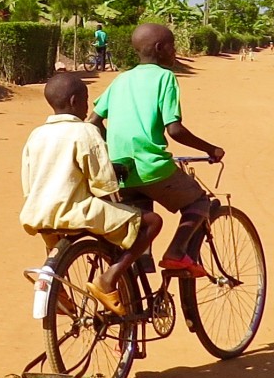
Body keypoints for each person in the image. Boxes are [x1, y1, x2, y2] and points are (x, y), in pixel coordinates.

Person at [19, 72, 162, 316]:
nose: (88, 106)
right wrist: (117, 186)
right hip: (75, 213)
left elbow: (29, 182)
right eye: (86, 99)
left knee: (56, 238)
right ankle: (109, 279)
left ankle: (57, 284)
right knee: (151, 222)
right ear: (75, 101)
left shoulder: (36, 135)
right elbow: (103, 183)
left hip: (38, 214)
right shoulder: (85, 132)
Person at [89, 23, 225, 278]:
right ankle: (176, 251)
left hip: (119, 171)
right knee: (199, 201)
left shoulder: (121, 79)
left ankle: (138, 279)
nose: (175, 51)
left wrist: (114, 146)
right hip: (152, 167)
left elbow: (93, 122)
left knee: (140, 221)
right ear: (160, 49)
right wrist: (211, 148)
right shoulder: (165, 78)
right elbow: (174, 130)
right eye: (172, 46)